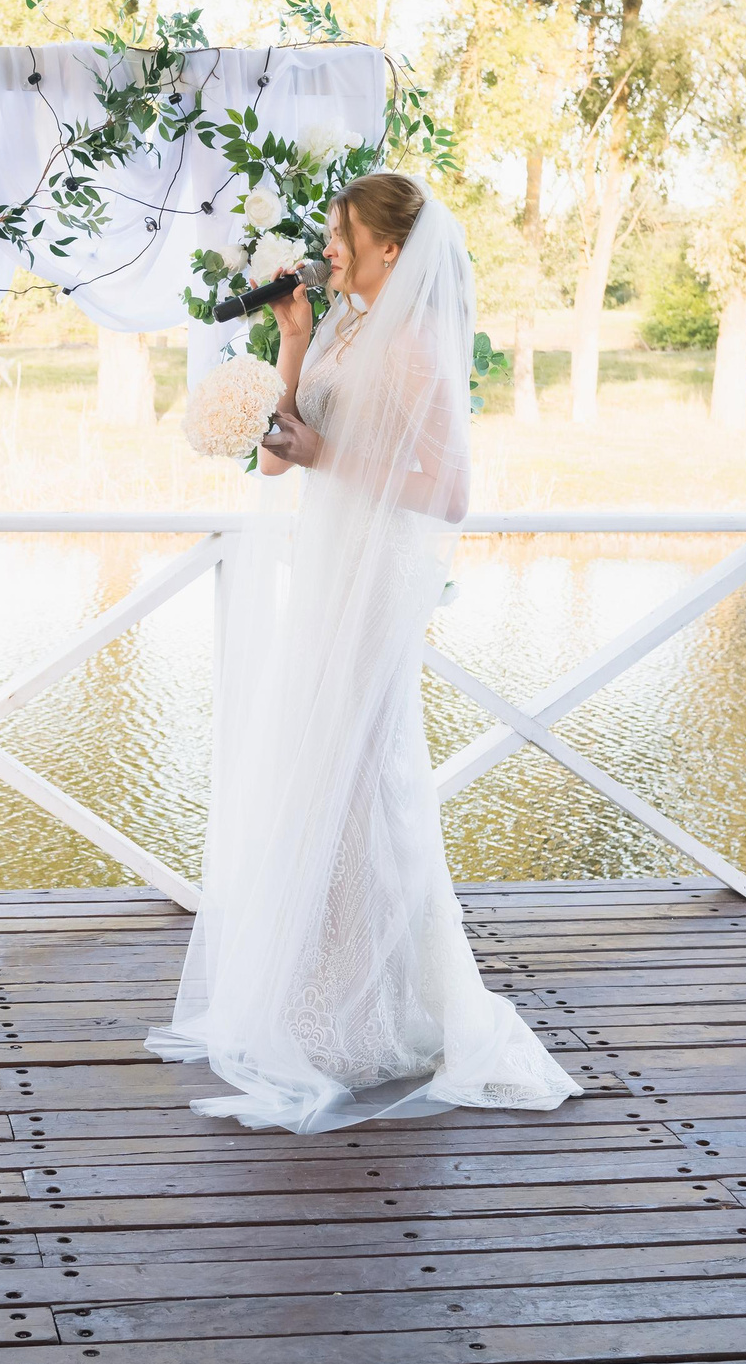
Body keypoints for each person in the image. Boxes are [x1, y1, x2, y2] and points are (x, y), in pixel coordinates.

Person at [147, 171, 581, 1132]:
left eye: (343, 234)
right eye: (330, 233)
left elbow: (450, 493)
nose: (328, 248)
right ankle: (319, 993)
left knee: (358, 774)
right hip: (325, 565)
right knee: (319, 774)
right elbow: (277, 457)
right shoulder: (340, 328)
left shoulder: (418, 342)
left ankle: (372, 1007)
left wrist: (327, 457)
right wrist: (292, 341)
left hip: (377, 575)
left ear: (392, 248)